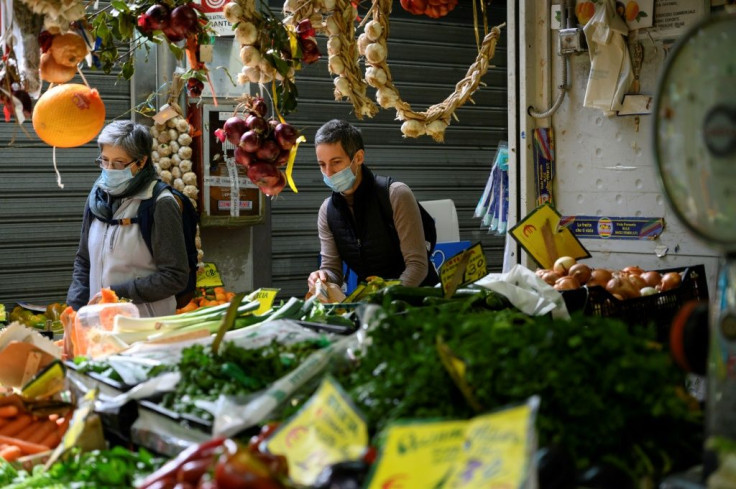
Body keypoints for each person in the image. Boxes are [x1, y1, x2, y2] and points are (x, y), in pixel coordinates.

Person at [66, 120, 189, 317]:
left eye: (119, 163)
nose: (109, 169)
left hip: (145, 326)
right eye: (104, 160)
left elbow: (174, 276)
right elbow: (83, 260)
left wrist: (117, 294)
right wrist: (75, 310)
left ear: (141, 162)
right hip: (100, 322)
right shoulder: (97, 198)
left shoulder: (159, 203)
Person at [308, 119, 438, 290]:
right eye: (322, 164)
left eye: (336, 162)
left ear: (359, 157)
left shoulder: (395, 195)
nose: (328, 173)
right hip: (373, 306)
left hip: (420, 302)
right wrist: (322, 279)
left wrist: (384, 299)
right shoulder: (327, 212)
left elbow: (417, 265)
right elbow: (333, 270)